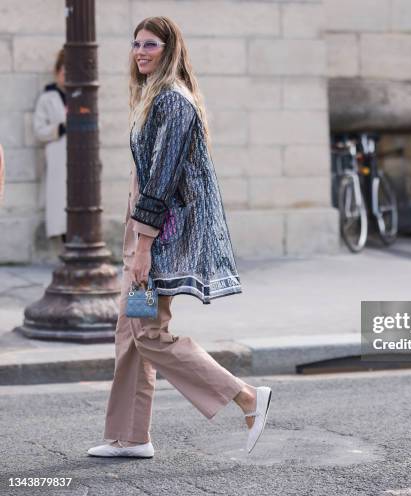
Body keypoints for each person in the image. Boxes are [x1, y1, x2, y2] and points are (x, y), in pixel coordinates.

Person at [87, 16, 272, 458]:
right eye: (135, 44)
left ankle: (246, 396)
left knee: (148, 333)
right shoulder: (154, 98)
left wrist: (144, 247)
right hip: (142, 236)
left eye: (150, 44)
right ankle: (132, 437)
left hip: (156, 242)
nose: (140, 51)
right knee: (131, 334)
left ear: (170, 49)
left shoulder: (173, 102)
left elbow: (163, 180)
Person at [33, 48, 67, 241]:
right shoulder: (47, 98)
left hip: (79, 159)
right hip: (57, 155)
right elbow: (39, 130)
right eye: (64, 72)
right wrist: (62, 127)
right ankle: (65, 244)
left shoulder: (80, 97)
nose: (67, 76)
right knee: (59, 201)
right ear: (57, 72)